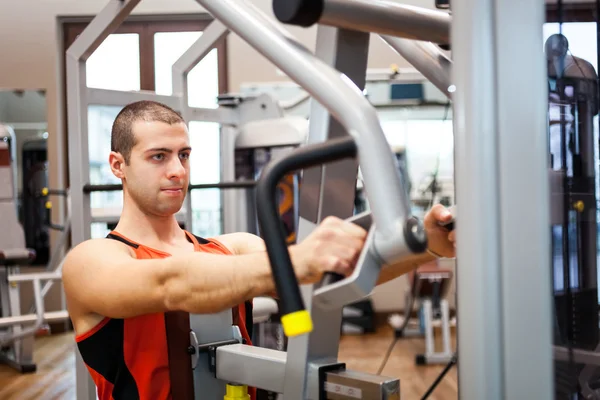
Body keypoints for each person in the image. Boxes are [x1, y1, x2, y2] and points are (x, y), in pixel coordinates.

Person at [62, 100, 456, 400]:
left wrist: (425, 244)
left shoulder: (233, 248)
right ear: (118, 165)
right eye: (158, 157)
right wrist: (294, 261)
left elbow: (332, 280)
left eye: (184, 155)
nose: (178, 171)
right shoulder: (92, 261)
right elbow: (172, 284)